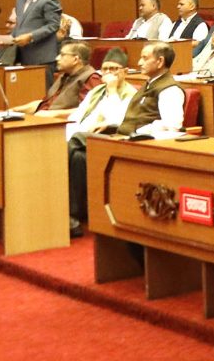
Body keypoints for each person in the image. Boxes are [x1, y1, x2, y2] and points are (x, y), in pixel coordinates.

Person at [67, 42, 184, 235]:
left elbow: (173, 124)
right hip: (122, 137)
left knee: (77, 138)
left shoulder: (169, 89)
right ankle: (75, 215)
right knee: (79, 156)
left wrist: (137, 133)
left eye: (145, 58)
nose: (140, 62)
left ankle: (64, 209)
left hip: (137, 142)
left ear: (160, 61)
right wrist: (113, 125)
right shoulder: (149, 84)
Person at [62, 52, 134, 143]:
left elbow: (116, 120)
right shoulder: (96, 90)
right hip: (79, 135)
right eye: (104, 69)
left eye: (113, 69)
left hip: (103, 137)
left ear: (125, 72)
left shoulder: (131, 94)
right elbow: (77, 116)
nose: (108, 72)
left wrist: (112, 90)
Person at [9, 0, 64, 67]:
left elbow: (53, 25)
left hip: (42, 57)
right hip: (23, 56)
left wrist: (30, 36)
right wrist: (10, 38)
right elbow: (20, 24)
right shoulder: (20, 0)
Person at [34, 41, 100, 113]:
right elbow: (47, 103)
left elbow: (90, 109)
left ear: (75, 59)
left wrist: (54, 114)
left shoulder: (91, 78)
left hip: (59, 119)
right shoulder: (65, 76)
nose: (57, 58)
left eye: (62, 55)